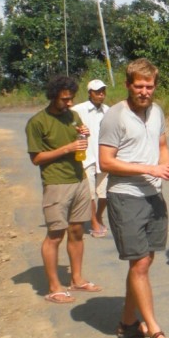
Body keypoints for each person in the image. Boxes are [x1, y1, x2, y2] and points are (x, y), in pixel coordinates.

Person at [99, 58, 169, 338]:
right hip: (126, 195)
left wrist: (166, 166)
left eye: (149, 86)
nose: (144, 91)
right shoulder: (115, 117)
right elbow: (106, 162)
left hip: (153, 194)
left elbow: (161, 145)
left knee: (145, 261)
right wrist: (149, 169)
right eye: (139, 86)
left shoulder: (157, 111)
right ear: (128, 85)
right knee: (140, 263)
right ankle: (154, 331)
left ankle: (127, 322)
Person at [25, 74, 102, 304]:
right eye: (64, 99)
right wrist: (68, 147)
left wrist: (83, 135)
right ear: (53, 97)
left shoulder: (74, 116)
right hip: (56, 184)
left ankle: (76, 279)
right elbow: (37, 158)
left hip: (78, 178)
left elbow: (79, 140)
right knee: (55, 235)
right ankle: (54, 286)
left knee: (77, 231)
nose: (69, 103)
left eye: (71, 98)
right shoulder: (38, 122)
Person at [74, 78, 110, 237]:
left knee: (105, 192)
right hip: (86, 156)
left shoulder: (107, 110)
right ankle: (94, 222)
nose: (101, 95)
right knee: (90, 193)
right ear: (90, 93)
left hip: (103, 156)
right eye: (97, 92)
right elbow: (66, 122)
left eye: (103, 91)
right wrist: (77, 129)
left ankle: (98, 215)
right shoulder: (78, 109)